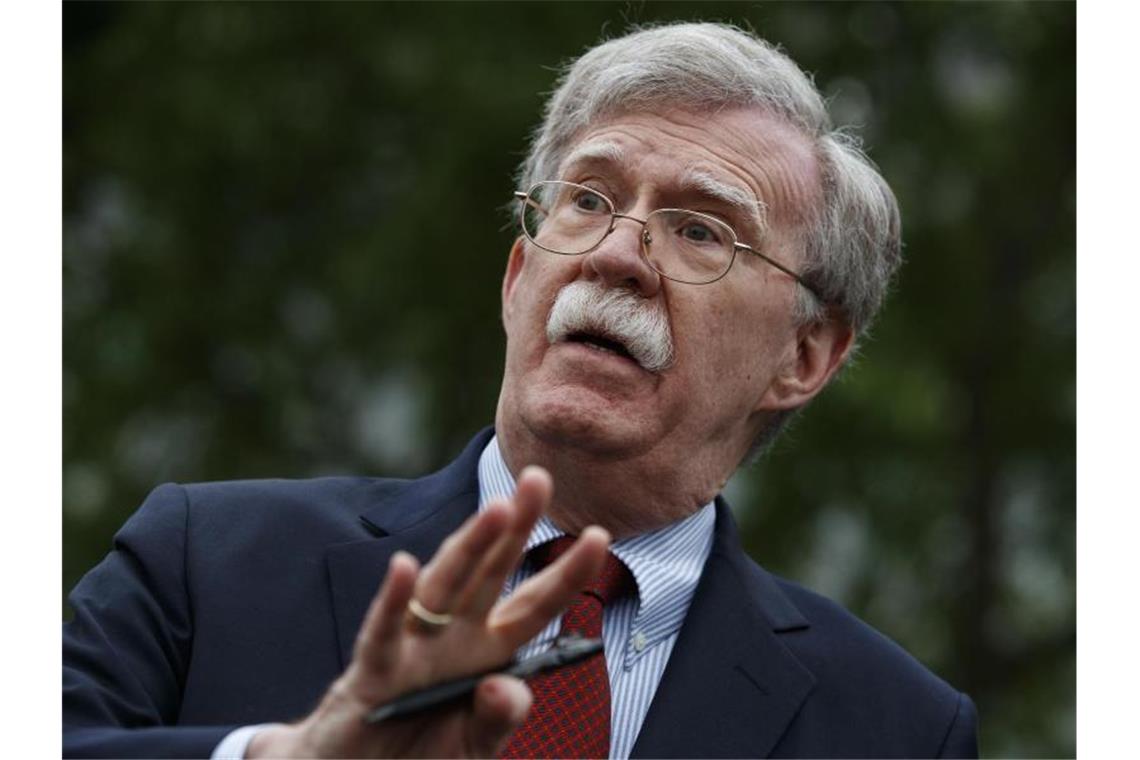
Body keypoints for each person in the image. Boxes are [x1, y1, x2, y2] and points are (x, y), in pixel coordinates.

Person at [63, 21, 979, 759]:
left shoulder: (899, 727)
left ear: (804, 356)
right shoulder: (203, 561)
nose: (617, 254)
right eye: (586, 200)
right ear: (517, 278)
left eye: (700, 229)